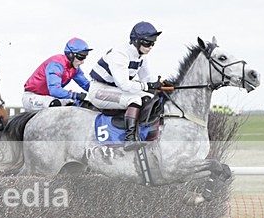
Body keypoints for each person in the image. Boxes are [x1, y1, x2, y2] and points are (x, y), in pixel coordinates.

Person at [88, 21, 170, 150]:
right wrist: (147, 86)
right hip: (99, 90)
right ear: (136, 41)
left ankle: (145, 133)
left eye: (153, 43)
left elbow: (147, 78)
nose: (150, 47)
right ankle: (129, 139)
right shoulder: (120, 54)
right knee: (135, 99)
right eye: (147, 43)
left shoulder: (141, 56)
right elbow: (124, 84)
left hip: (115, 89)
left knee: (148, 98)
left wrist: (162, 84)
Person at [22, 37, 92, 110]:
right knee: (55, 104)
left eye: (85, 57)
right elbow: (54, 90)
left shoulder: (75, 68)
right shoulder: (56, 64)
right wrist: (74, 95)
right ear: (71, 54)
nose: (82, 61)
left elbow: (86, 85)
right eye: (81, 57)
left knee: (79, 104)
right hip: (32, 97)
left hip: (50, 97)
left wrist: (100, 91)